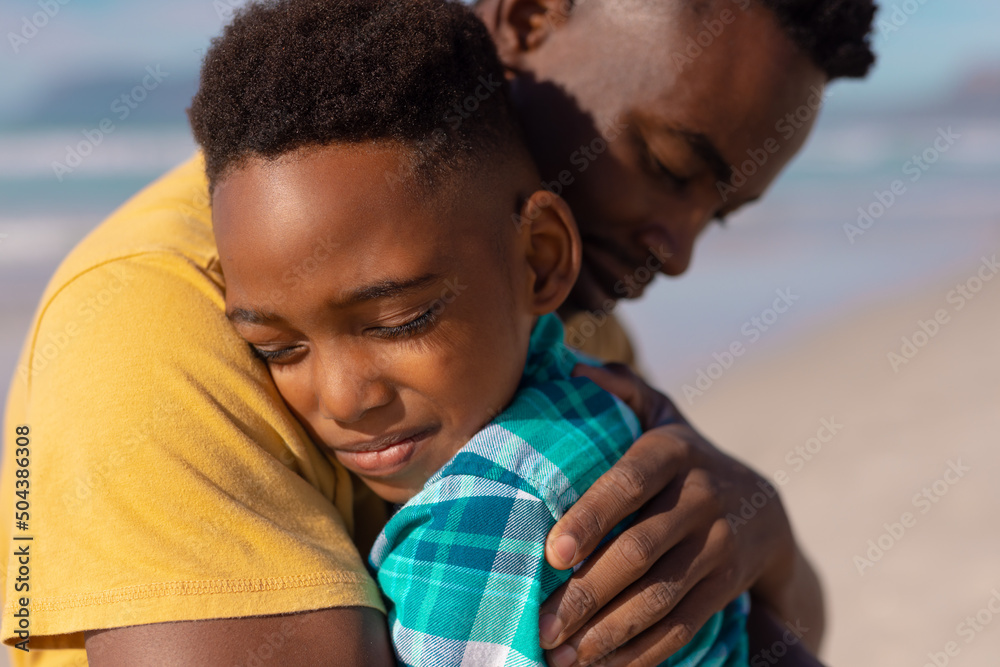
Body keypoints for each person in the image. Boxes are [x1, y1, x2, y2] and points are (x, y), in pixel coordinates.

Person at [0, 0, 875, 665]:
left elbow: (787, 626)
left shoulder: (546, 314)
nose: (678, 248)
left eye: (719, 213)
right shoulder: (150, 318)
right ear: (530, 16)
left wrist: (760, 529)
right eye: (669, 165)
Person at [191, 1, 750, 664]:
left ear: (541, 257)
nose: (345, 398)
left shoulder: (484, 515)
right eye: (277, 349)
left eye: (402, 320)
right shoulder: (591, 400)